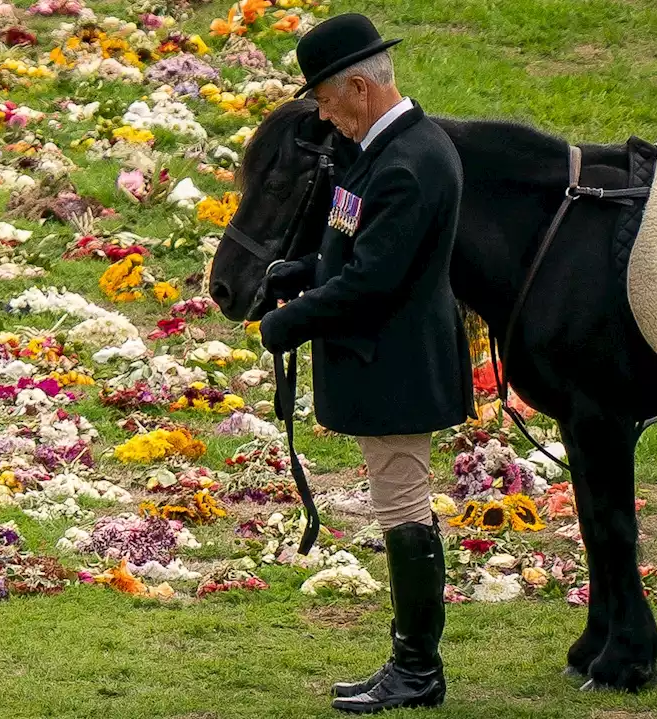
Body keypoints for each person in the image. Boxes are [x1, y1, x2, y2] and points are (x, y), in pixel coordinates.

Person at [257, 12, 474, 714]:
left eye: (323, 101)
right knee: (395, 504)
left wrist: (290, 322)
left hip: (399, 363)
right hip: (386, 358)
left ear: (358, 86)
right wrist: (301, 269)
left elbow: (375, 280)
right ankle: (410, 662)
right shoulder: (383, 151)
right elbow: (353, 244)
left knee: (405, 507)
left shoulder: (410, 162)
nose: (324, 116)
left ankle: (417, 668)